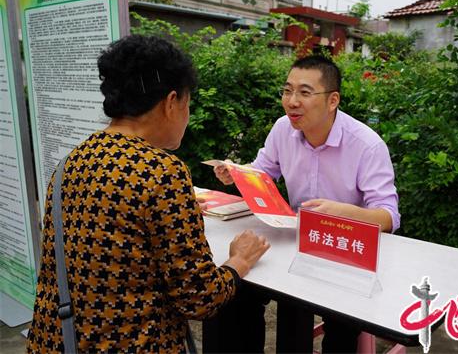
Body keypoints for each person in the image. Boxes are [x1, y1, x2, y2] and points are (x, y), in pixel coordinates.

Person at [26, 35, 270, 353]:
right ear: (171, 102)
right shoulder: (162, 172)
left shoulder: (70, 163)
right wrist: (240, 259)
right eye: (188, 104)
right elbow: (199, 297)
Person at [210, 55, 400, 353]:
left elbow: (388, 217)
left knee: (342, 325)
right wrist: (236, 173)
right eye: (287, 91)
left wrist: (339, 213)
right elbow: (263, 173)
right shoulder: (283, 129)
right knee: (250, 297)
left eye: (304, 92)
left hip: (345, 253)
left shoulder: (366, 145)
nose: (292, 101)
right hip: (298, 243)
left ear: (332, 100)